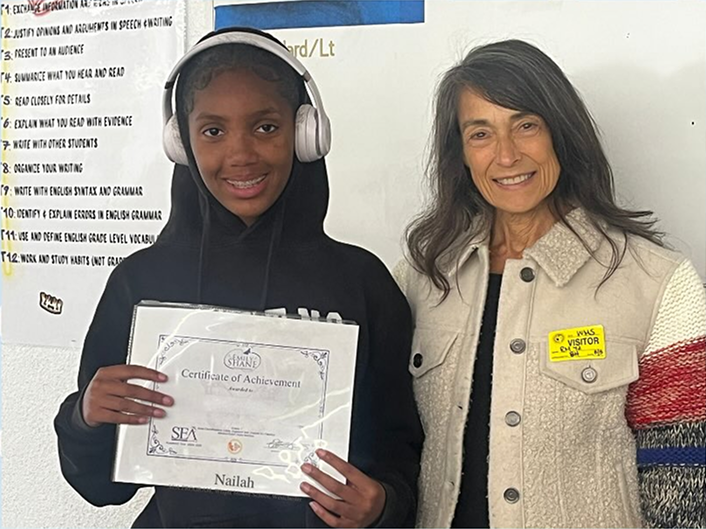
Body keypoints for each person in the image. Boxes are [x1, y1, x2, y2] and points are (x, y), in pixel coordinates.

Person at [54, 27, 422, 528]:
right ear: (181, 142)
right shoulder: (141, 283)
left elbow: (402, 450)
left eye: (266, 127)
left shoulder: (362, 282)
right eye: (213, 131)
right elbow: (102, 487)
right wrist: (86, 418)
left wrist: (383, 506)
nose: (241, 153)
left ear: (306, 134)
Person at [395, 39, 705, 529]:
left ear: (561, 133)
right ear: (462, 154)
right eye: (481, 133)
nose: (506, 155)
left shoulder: (659, 283)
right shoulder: (419, 279)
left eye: (526, 126)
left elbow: (686, 491)